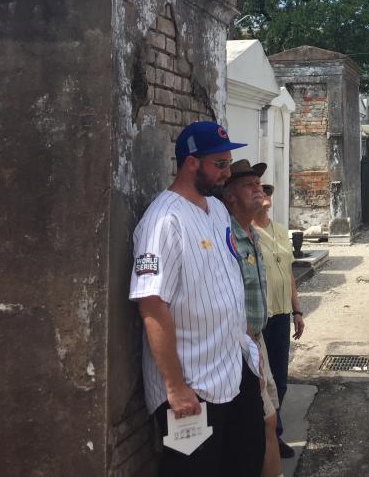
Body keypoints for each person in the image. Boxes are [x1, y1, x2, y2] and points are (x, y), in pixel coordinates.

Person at [129, 121, 265, 476]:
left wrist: (251, 358)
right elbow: (151, 305)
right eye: (219, 164)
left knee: (245, 461)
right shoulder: (164, 221)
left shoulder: (217, 210)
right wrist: (176, 388)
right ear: (191, 163)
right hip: (193, 386)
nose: (225, 172)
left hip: (233, 370)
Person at [222, 159, 284, 477]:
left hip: (257, 341)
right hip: (240, 346)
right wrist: (249, 353)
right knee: (260, 425)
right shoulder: (227, 236)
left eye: (258, 183)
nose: (258, 189)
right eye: (249, 185)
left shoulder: (252, 232)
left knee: (270, 421)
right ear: (230, 196)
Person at [253, 167, 306, 459]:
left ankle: (275, 433)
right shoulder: (245, 231)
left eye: (268, 190)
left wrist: (297, 310)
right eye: (261, 191)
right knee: (264, 379)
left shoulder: (280, 230)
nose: (265, 195)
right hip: (261, 316)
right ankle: (267, 436)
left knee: (281, 380)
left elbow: (288, 274)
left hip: (282, 313)